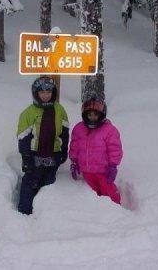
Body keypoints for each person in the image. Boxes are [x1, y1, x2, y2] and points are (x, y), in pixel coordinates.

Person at [17, 76, 69, 215]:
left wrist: (64, 150)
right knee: (31, 182)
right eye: (42, 92)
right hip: (34, 154)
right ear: (36, 93)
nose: (46, 95)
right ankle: (24, 212)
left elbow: (64, 132)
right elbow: (23, 137)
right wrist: (26, 158)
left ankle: (44, 213)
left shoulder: (59, 110)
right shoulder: (28, 113)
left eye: (49, 92)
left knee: (48, 182)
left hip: (53, 153)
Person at [69, 97, 123, 205]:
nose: (92, 118)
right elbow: (74, 146)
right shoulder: (79, 129)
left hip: (103, 171)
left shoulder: (109, 130)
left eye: (95, 115)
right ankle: (97, 211)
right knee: (93, 194)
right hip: (86, 171)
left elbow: (115, 149)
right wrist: (74, 161)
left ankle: (116, 209)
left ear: (101, 115)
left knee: (108, 191)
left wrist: (113, 166)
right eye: (90, 115)